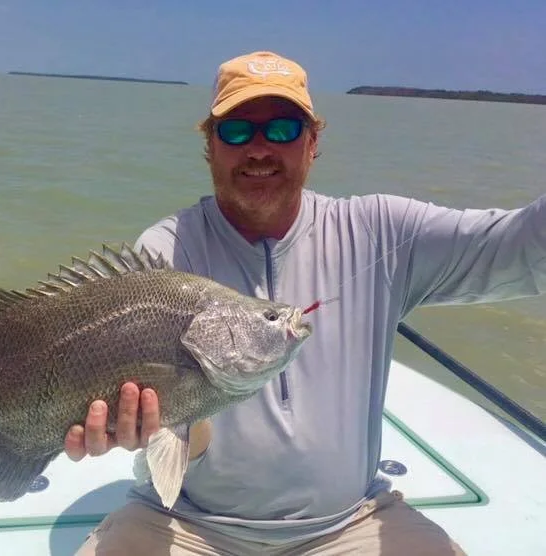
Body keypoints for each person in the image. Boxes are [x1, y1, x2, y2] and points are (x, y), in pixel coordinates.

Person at [66, 51, 546, 555]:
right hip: (187, 522)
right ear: (209, 145)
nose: (258, 149)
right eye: (235, 131)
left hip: (350, 522)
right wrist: (129, 431)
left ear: (313, 141)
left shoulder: (382, 231)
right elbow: (169, 438)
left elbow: (522, 250)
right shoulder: (165, 256)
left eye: (282, 129)